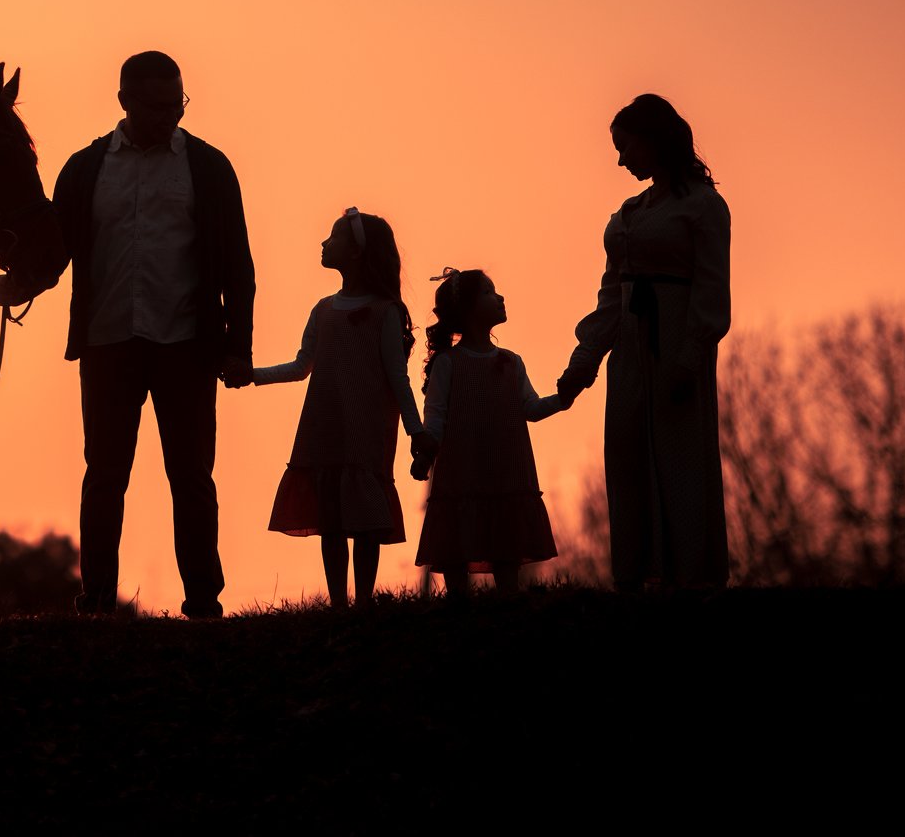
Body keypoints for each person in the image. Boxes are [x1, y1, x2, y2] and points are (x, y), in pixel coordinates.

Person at [35, 51, 254, 618]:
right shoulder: (84, 169)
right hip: (107, 343)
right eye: (157, 106)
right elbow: (55, 250)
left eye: (177, 104)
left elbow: (238, 265)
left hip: (186, 344)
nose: (169, 116)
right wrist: (18, 283)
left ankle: (203, 597)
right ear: (124, 101)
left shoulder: (209, 168)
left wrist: (238, 348)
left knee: (191, 477)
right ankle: (99, 598)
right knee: (104, 475)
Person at [557, 94, 731, 589]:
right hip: (631, 352)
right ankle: (637, 576)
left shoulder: (703, 206)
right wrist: (583, 362)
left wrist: (688, 358)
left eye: (625, 145)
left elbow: (713, 293)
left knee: (680, 456)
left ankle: (691, 577)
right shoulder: (630, 213)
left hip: (676, 344)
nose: (620, 159)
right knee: (628, 455)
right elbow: (612, 298)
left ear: (652, 139)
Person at [244, 208, 426, 608]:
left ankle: (361, 602)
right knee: (331, 518)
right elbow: (300, 366)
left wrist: (416, 431)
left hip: (367, 430)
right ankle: (340, 604)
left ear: (357, 251)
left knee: (362, 520)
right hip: (324, 426)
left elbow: (398, 377)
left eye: (333, 237)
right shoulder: (323, 309)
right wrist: (251, 375)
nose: (324, 244)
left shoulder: (385, 312)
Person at [413, 268, 565, 596]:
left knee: (506, 552)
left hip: (506, 474)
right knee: (456, 549)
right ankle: (458, 605)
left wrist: (564, 397)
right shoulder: (448, 364)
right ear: (467, 309)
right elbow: (434, 418)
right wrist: (424, 455)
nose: (499, 297)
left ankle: (507, 604)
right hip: (460, 476)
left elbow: (532, 409)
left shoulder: (512, 362)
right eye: (488, 292)